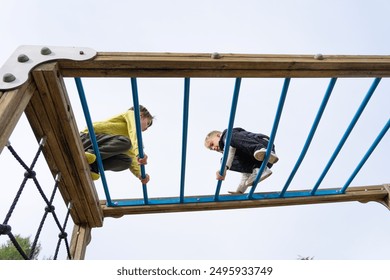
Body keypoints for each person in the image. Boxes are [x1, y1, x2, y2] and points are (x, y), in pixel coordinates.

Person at [80, 105, 154, 184]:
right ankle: (90, 154)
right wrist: (139, 151)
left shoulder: (128, 138)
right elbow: (134, 131)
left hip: (98, 146)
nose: (147, 128)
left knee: (126, 161)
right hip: (88, 138)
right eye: (148, 123)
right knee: (126, 142)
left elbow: (132, 158)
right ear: (141, 115)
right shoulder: (131, 114)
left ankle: (93, 166)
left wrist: (140, 174)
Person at [204, 128, 279, 194]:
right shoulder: (232, 151)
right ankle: (260, 170)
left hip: (262, 144)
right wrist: (240, 190)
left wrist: (223, 169)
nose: (213, 148)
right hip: (262, 162)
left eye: (212, 144)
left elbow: (229, 152)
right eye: (211, 148)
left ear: (218, 135)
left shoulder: (227, 135)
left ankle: (262, 150)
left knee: (230, 139)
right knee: (224, 160)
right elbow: (245, 173)